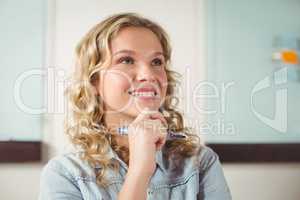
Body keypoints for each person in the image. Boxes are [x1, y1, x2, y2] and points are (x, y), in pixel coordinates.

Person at [39, 13, 232, 200]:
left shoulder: (201, 162)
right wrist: (139, 171)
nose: (148, 74)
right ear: (94, 81)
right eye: (127, 60)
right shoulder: (65, 175)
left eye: (157, 61)